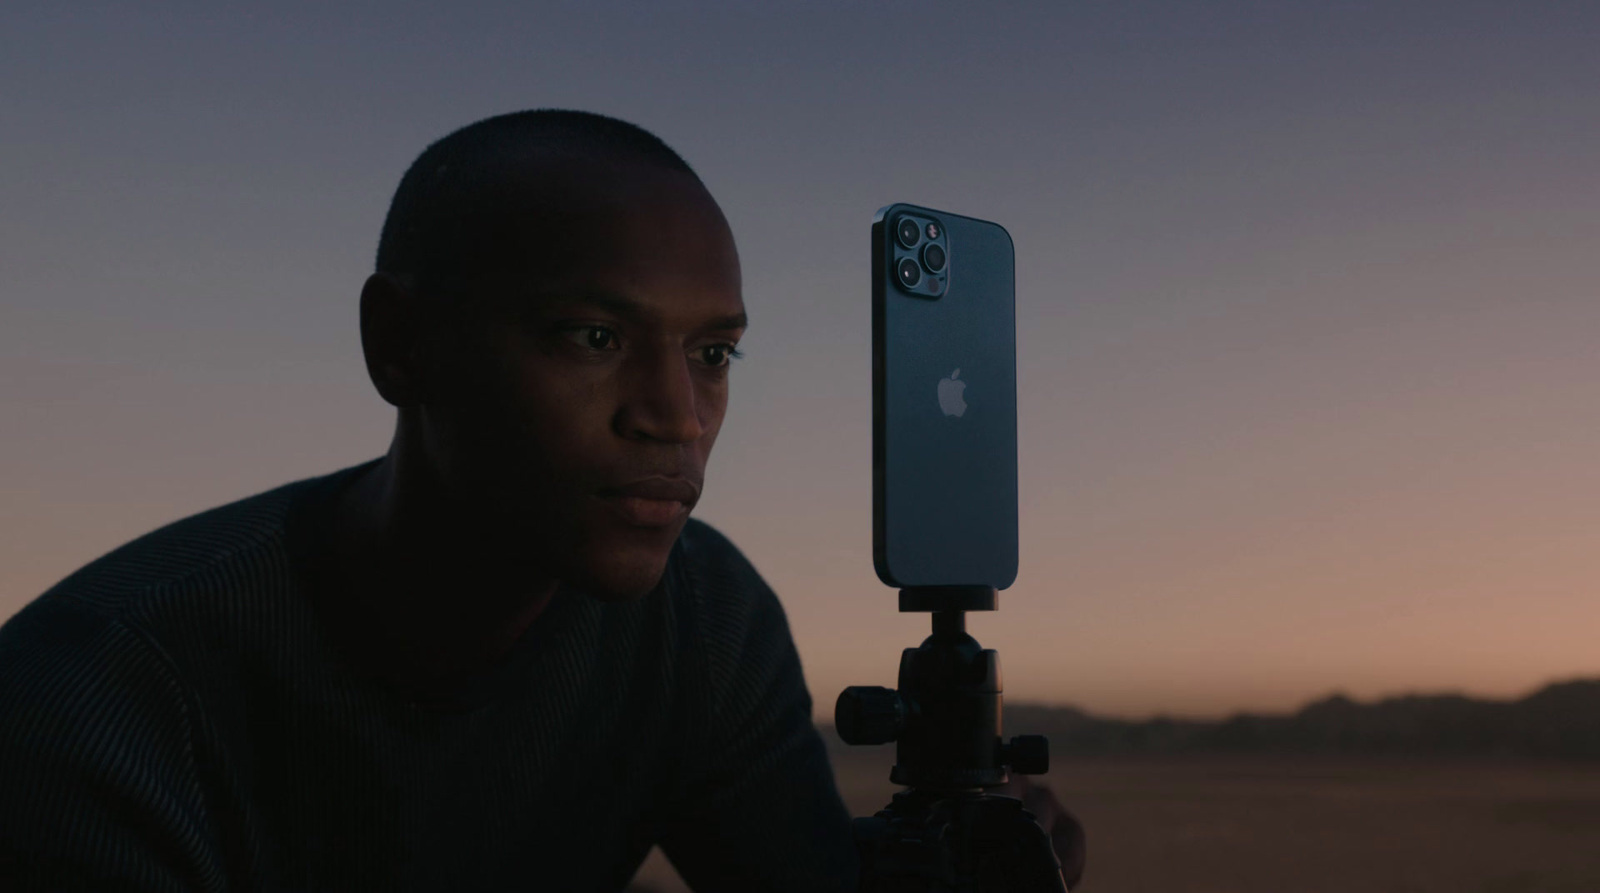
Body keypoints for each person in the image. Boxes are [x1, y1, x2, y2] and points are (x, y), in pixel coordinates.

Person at [0, 109, 1084, 892]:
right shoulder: (99, 697)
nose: (675, 415)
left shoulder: (701, 614)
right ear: (402, 343)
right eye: (594, 337)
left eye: (712, 351)